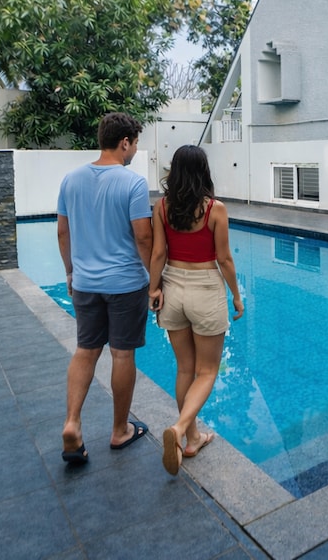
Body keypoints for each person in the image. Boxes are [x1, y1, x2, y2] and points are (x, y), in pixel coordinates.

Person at [57, 112, 153, 465]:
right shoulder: (133, 183)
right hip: (126, 284)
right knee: (122, 355)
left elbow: (62, 232)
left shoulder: (71, 180)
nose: (135, 150)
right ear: (124, 142)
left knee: (86, 350)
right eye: (135, 143)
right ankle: (119, 430)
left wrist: (70, 272)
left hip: (85, 283)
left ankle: (72, 423)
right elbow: (143, 237)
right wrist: (156, 280)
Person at [148, 144, 243, 475]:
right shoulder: (215, 209)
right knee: (207, 371)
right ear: (204, 171)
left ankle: (192, 439)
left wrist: (154, 289)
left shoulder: (162, 207)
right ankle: (179, 429)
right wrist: (236, 296)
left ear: (174, 171)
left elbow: (158, 253)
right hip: (205, 290)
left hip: (173, 289)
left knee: (184, 369)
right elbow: (224, 259)